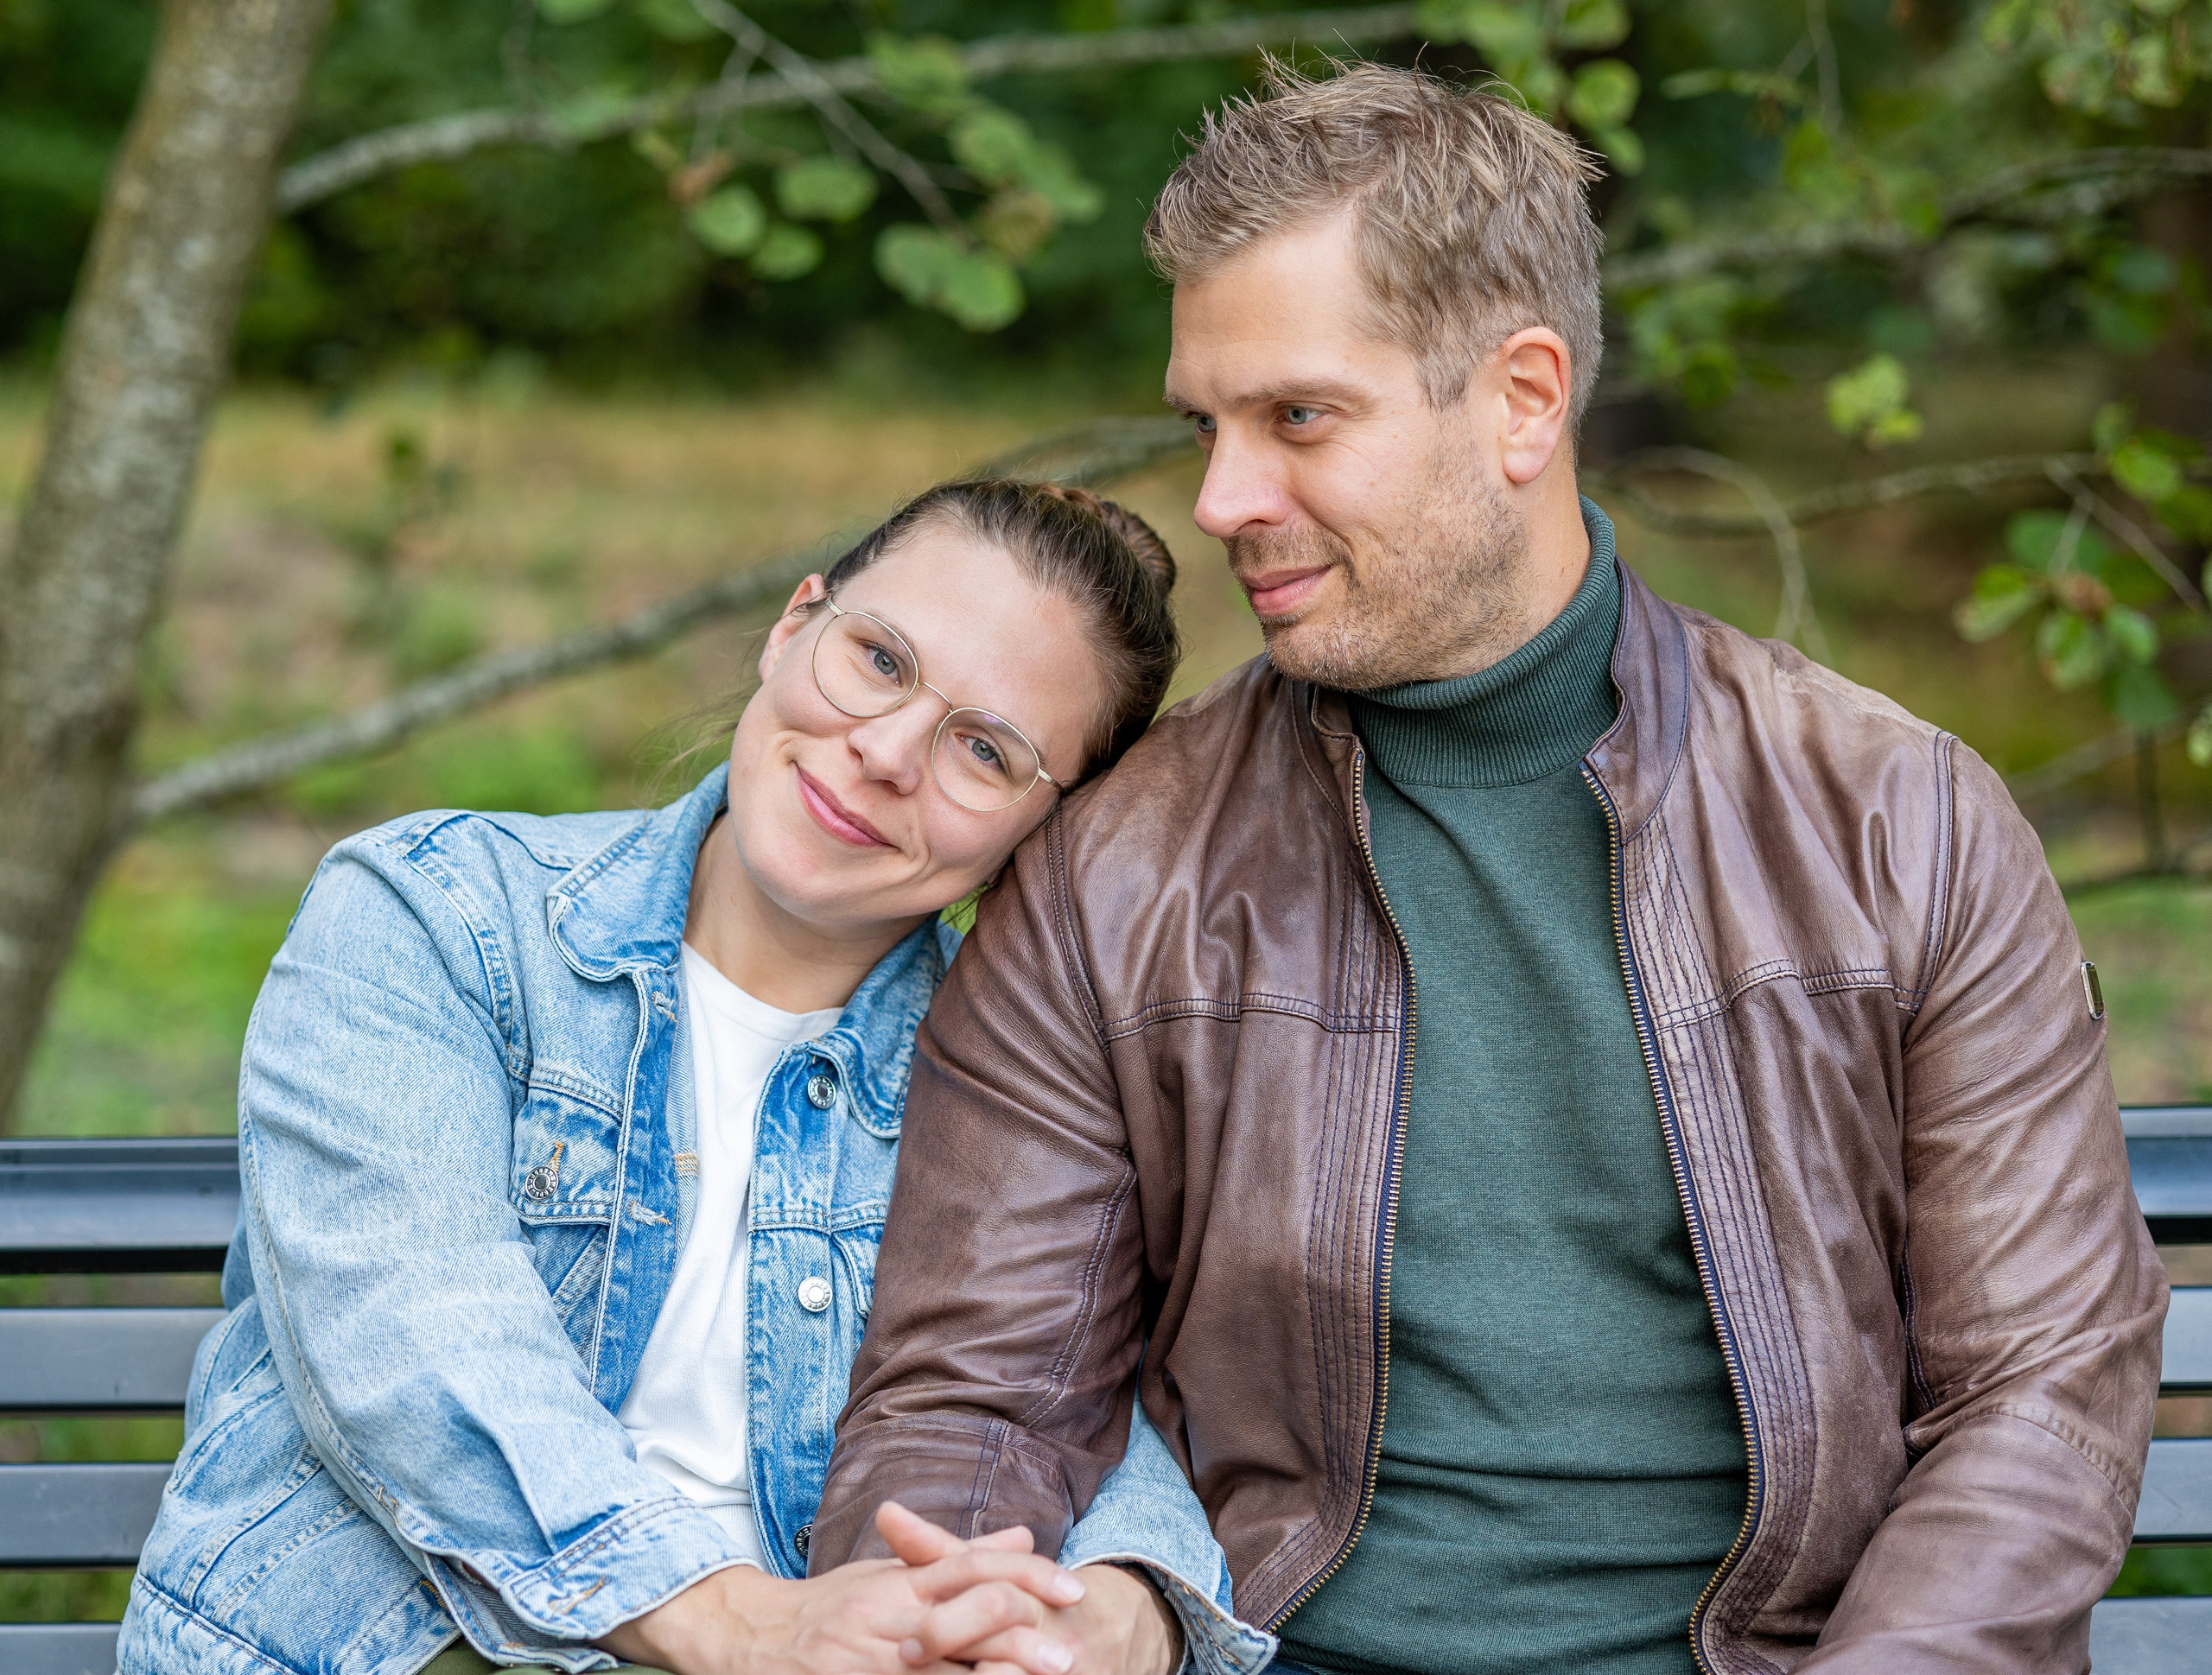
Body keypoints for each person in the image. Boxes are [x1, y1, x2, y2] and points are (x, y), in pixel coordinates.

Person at [812, 61, 2170, 1675]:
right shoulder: (1122, 866)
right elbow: (977, 1399)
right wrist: (971, 1616)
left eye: (1298, 417)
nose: (1221, 499)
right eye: (1207, 424)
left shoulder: (1898, 822)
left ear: (1524, 400)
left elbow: (2041, 1397)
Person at [118, 480, 1273, 1675]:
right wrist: (741, 1625)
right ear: (793, 626)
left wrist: (1131, 1604)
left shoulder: (1027, 1077)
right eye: (877, 660)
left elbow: (1069, 1392)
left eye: (984, 749)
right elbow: (419, 1344)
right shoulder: (440, 918)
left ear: (1054, 828)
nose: (882, 753)